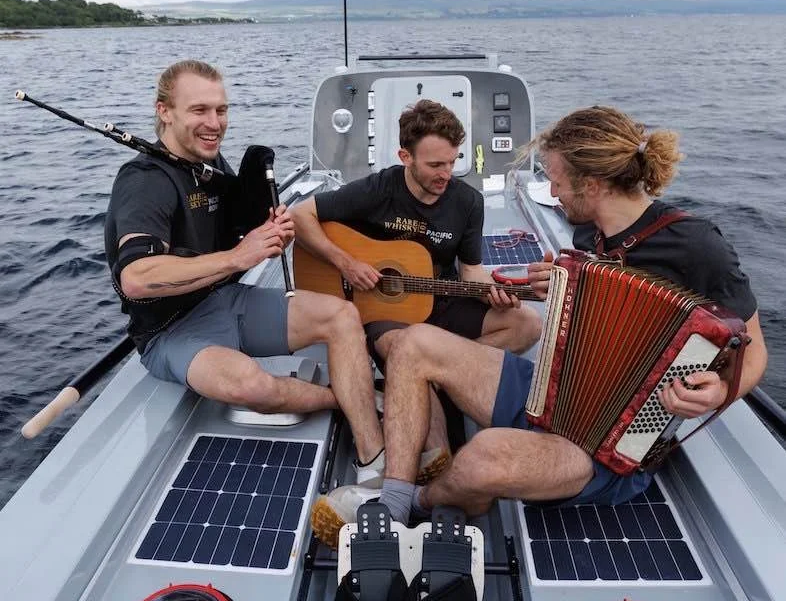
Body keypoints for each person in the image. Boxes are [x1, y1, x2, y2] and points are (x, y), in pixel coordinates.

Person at [310, 105, 768, 549]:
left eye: (556, 180)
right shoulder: (590, 236)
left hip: (605, 446)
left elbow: (753, 353)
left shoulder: (697, 246)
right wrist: (564, 284)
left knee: (482, 458)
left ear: (591, 185)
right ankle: (391, 503)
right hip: (553, 392)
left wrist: (717, 390)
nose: (551, 191)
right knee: (412, 344)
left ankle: (420, 500)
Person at [104, 59, 421, 480]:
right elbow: (137, 278)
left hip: (224, 299)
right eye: (199, 110)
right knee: (251, 387)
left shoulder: (210, 165)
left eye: (221, 110)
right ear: (164, 111)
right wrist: (240, 258)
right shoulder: (145, 181)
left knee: (341, 315)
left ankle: (372, 457)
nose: (214, 123)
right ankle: (343, 397)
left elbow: (236, 234)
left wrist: (270, 235)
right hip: (171, 331)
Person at [293, 99, 542, 468]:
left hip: (440, 299)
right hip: (384, 310)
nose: (446, 173)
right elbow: (302, 216)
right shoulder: (379, 189)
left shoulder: (468, 202)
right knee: (405, 349)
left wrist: (500, 292)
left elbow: (471, 271)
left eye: (453, 161)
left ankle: (436, 378)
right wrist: (346, 264)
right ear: (405, 156)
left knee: (527, 323)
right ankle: (439, 451)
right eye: (435, 164)